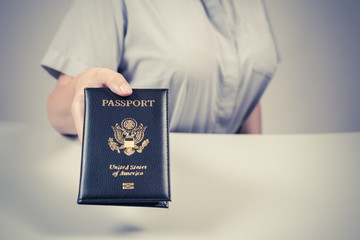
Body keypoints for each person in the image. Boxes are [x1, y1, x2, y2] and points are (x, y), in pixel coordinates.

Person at [42, 0, 279, 140]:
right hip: (147, 184)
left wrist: (255, 157)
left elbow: (243, 90)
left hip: (231, 190)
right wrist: (83, 87)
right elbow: (58, 110)